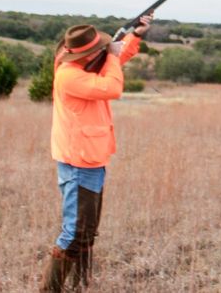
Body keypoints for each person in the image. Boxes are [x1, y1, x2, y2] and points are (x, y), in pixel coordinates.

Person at [40, 16, 151, 292]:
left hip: (90, 157)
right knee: (75, 233)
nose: (101, 52)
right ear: (85, 54)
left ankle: (80, 286)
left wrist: (135, 35)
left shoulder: (81, 65)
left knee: (87, 231)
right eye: (97, 50)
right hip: (79, 161)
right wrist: (111, 55)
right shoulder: (69, 75)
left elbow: (115, 58)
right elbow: (112, 86)